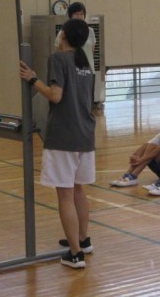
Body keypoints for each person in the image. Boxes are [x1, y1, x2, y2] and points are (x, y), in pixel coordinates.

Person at [19, 18, 95, 269]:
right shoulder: (86, 63)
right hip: (85, 135)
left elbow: (55, 95)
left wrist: (33, 79)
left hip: (64, 136)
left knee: (65, 195)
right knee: (78, 190)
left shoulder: (58, 59)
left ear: (63, 35)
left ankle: (75, 254)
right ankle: (83, 240)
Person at [110, 113, 160, 187]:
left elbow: (158, 150)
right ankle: (128, 174)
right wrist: (134, 156)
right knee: (148, 146)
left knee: (154, 151)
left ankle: (134, 176)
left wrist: (141, 160)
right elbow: (146, 145)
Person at [55, 2, 96, 73]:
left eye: (81, 14)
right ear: (70, 16)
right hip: (71, 70)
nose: (79, 16)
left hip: (88, 69)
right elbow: (59, 50)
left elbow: (92, 51)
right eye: (76, 14)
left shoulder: (90, 31)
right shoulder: (63, 32)